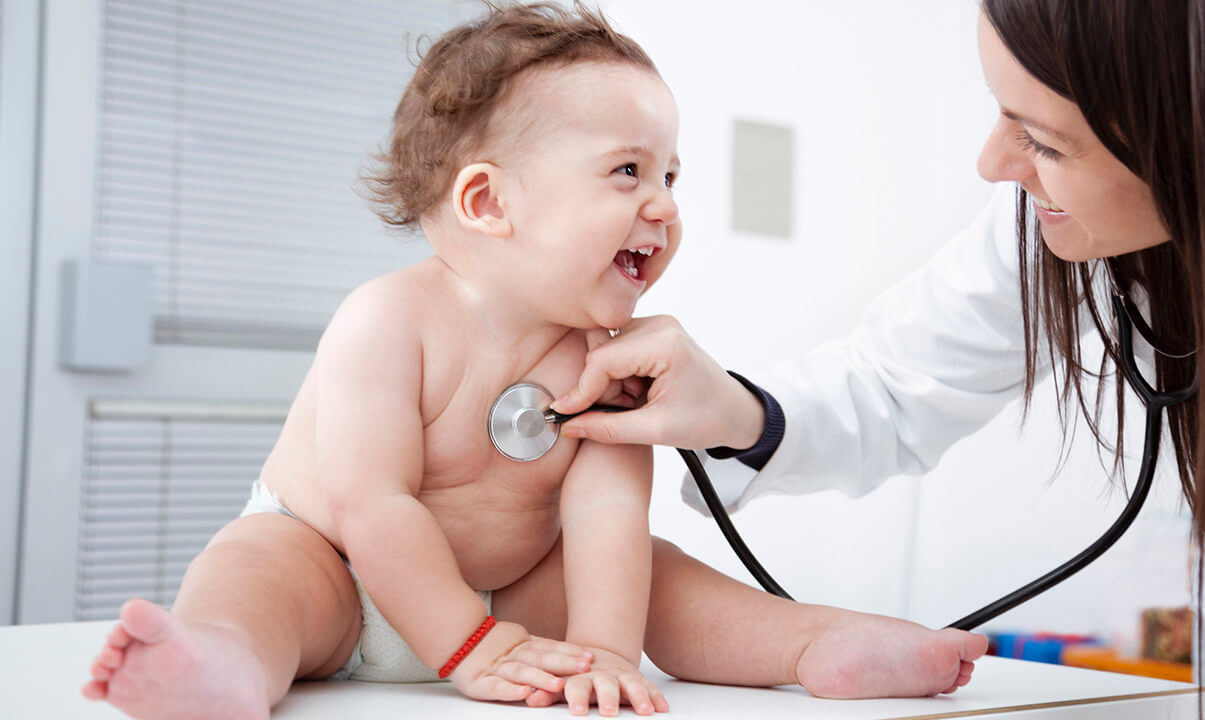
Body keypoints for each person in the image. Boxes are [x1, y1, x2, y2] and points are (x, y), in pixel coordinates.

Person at [79, 3, 987, 719]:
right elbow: (372, 503)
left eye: (672, 176)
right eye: (628, 172)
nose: (665, 206)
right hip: (343, 573)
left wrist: (601, 650)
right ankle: (224, 662)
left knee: (657, 574)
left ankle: (809, 643)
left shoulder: (608, 358)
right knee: (255, 571)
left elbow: (604, 518)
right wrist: (468, 649)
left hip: (512, 596)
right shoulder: (387, 321)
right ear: (487, 201)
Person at [550, 2, 1205, 720]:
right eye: (1001, 110)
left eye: (1045, 142)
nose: (992, 164)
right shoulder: (1054, 224)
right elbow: (895, 383)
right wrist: (736, 411)